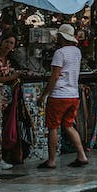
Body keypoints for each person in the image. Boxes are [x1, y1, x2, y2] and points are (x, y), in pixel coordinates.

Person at [36, 24, 89, 169]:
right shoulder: (77, 51)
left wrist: (44, 95)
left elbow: (55, 75)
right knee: (69, 126)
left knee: (53, 127)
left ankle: (51, 160)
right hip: (73, 94)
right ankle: (82, 155)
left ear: (61, 37)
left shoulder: (60, 53)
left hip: (59, 95)